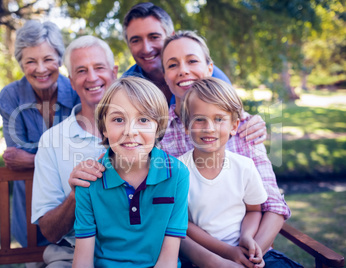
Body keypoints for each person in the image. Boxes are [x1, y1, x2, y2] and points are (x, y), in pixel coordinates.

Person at [162, 31, 300, 268]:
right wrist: (222, 260)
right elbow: (171, 218)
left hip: (253, 251)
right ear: (165, 76)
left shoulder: (245, 126)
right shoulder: (157, 132)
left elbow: (271, 204)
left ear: (209, 67)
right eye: (172, 65)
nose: (183, 70)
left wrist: (250, 254)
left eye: (192, 60)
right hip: (195, 256)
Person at [72, 76, 189, 267]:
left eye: (143, 119)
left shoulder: (176, 174)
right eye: (118, 119)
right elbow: (82, 261)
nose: (130, 131)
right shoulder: (90, 179)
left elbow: (168, 259)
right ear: (104, 128)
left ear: (158, 126)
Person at [121, 2, 267, 145]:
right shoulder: (126, 88)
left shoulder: (211, 77)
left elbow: (234, 117)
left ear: (170, 36)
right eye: (136, 40)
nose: (146, 48)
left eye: (154, 37)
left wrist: (253, 125)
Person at [31, 35, 117, 266]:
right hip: (70, 253)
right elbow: (50, 232)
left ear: (114, 72)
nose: (92, 77)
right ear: (71, 81)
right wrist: (74, 196)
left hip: (133, 249)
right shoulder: (51, 141)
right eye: (81, 70)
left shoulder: (139, 132)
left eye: (99, 67)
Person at [0, 20, 80, 248]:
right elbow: (16, 157)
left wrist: (32, 159)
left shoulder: (77, 91)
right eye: (31, 61)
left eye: (48, 59)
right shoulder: (10, 97)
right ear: (21, 64)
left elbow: (83, 155)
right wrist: (61, 158)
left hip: (76, 212)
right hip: (31, 209)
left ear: (60, 60)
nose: (41, 69)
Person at [178, 77, 268, 268]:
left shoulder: (245, 167)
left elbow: (254, 210)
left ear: (234, 126)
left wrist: (247, 237)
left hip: (241, 250)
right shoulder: (179, 171)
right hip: (199, 257)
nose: (209, 128)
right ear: (186, 127)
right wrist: (228, 252)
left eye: (219, 119)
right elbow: (183, 223)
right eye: (199, 120)